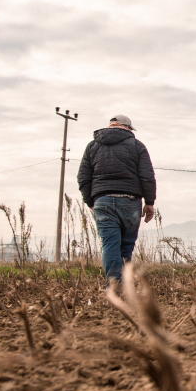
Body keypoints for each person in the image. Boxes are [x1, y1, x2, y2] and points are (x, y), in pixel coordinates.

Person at [77, 114, 156, 285]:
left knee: (110, 244)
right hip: (131, 201)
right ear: (127, 128)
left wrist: (91, 202)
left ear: (111, 125)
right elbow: (147, 177)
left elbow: (83, 178)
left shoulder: (92, 146)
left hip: (103, 200)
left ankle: (114, 284)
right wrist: (149, 203)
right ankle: (125, 285)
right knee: (126, 246)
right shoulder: (137, 146)